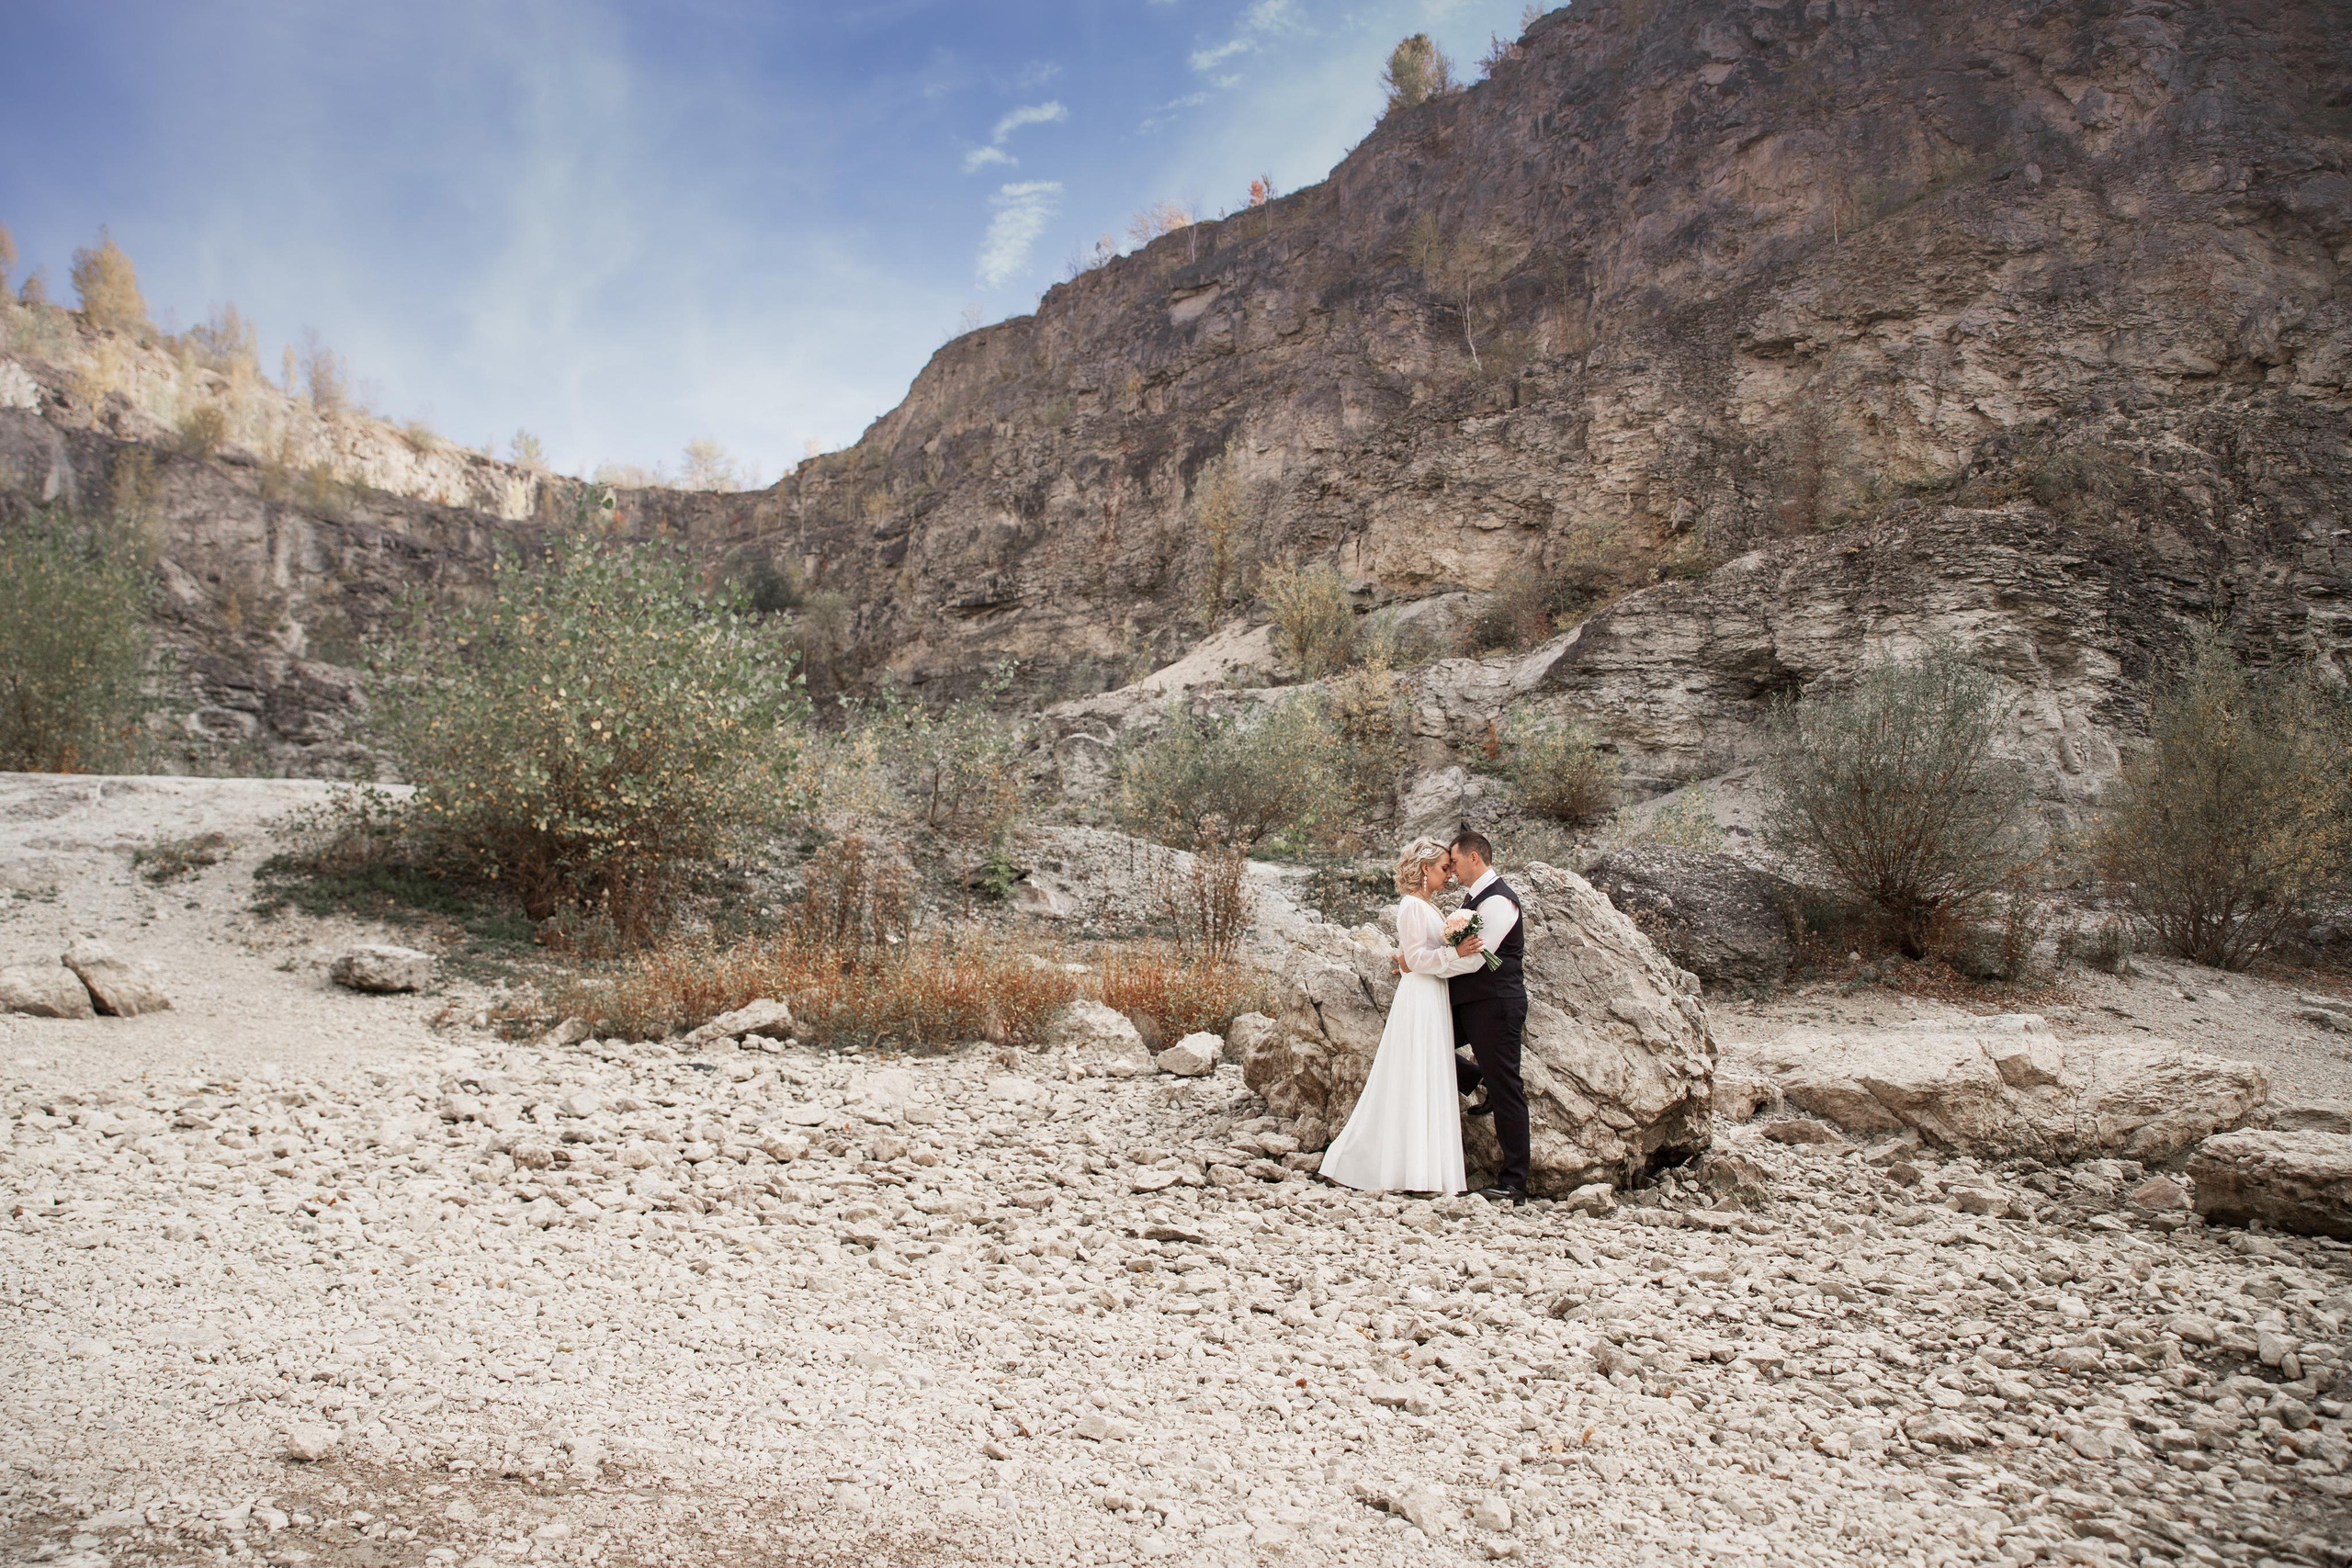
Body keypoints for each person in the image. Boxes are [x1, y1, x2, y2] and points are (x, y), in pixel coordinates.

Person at [1317, 837, 1472, 1196]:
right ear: (1424, 869)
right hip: (1420, 996)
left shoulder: (1428, 907)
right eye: (1444, 868)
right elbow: (1416, 959)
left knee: (1427, 1072)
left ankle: (1425, 1170)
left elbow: (1414, 957)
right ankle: (1401, 1169)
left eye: (1451, 868)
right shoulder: (1412, 907)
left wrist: (1452, 953)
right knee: (1413, 1073)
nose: (1449, 874)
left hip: (1432, 994)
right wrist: (1456, 954)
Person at [1443, 830, 1532, 1205]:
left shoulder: (1499, 902)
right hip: (1470, 1004)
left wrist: (1425, 965)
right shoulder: (1475, 899)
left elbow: (1477, 958)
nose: (1451, 870)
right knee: (1423, 1040)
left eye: (1455, 862)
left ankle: (1514, 1183)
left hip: (1496, 1005)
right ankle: (1478, 1077)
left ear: (1474, 858)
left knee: (1508, 1088)